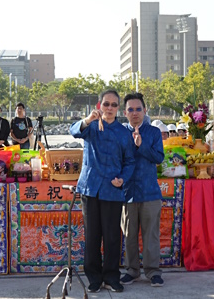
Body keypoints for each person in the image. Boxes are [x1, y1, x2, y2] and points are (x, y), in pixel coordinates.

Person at [70, 89, 135, 293]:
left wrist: (122, 179)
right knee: (92, 236)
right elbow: (74, 131)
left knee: (112, 236)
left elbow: (130, 161)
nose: (109, 108)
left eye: (114, 105)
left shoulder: (124, 133)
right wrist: (88, 119)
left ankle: (111, 277)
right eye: (106, 104)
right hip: (90, 188)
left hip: (112, 190)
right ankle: (94, 278)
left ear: (118, 108)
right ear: (99, 105)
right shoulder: (91, 127)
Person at [120, 92, 165, 288]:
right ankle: (132, 270)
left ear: (145, 110)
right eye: (130, 109)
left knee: (151, 235)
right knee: (129, 235)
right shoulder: (120, 133)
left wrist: (141, 145)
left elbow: (159, 157)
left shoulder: (153, 133)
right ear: (124, 112)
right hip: (127, 193)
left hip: (149, 192)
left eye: (138, 109)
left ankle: (153, 271)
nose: (135, 113)